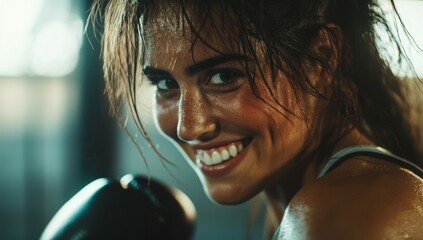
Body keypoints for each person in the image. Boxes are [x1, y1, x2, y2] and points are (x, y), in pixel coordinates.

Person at [89, 0, 423, 238]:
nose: (188, 126)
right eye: (166, 84)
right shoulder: (287, 200)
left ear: (320, 60)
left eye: (223, 76)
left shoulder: (340, 211)